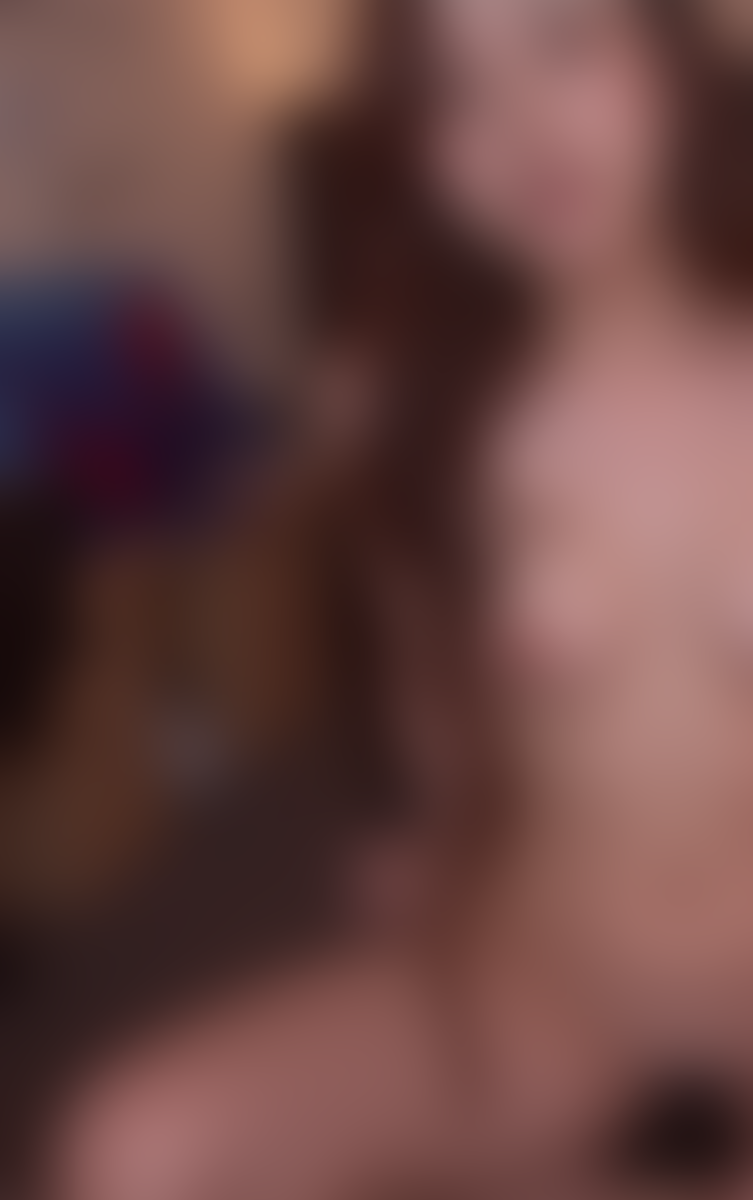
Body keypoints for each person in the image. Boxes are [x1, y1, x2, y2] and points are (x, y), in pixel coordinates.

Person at [38, 2, 753, 1197]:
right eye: (458, 95)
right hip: (551, 977)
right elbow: (437, 714)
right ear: (422, 153)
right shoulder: (398, 408)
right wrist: (430, 839)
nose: (523, 127)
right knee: (126, 1154)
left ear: (671, 56)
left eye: (563, 46)